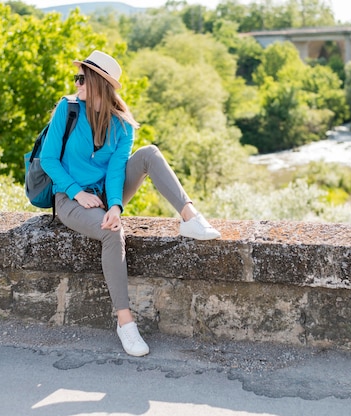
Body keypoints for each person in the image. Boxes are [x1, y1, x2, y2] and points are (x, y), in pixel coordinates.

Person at [40, 50, 221, 357]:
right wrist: (76, 191)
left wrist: (115, 207)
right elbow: (48, 159)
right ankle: (126, 323)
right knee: (113, 233)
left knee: (149, 154)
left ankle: (189, 216)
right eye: (77, 77)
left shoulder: (122, 126)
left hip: (103, 196)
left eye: (82, 78)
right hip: (69, 198)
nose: (77, 83)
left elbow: (115, 172)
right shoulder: (68, 108)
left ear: (98, 84)